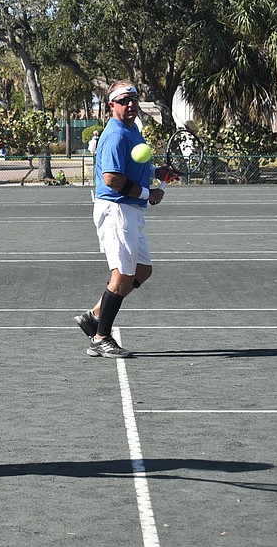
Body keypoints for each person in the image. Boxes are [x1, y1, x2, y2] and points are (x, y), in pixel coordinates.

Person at [74, 80, 172, 358]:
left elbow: (134, 167)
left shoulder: (132, 130)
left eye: (133, 99)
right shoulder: (116, 135)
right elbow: (112, 179)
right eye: (124, 100)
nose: (130, 104)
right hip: (116, 209)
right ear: (112, 105)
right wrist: (147, 193)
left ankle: (94, 316)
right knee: (122, 275)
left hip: (130, 210)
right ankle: (101, 338)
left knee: (142, 271)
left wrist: (157, 171)